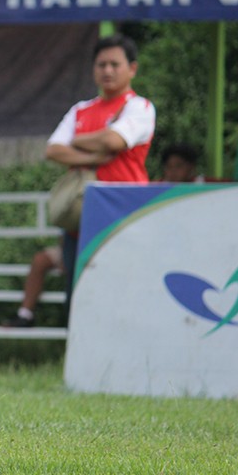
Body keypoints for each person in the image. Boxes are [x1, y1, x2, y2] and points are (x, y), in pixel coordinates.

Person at [34, 33, 155, 319]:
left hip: (127, 216)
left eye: (115, 64)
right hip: (81, 220)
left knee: (126, 291)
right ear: (93, 69)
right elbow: (52, 150)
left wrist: (77, 140)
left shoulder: (140, 107)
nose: (108, 70)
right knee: (79, 293)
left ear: (132, 69)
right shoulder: (80, 110)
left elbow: (115, 142)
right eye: (101, 64)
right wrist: (93, 156)